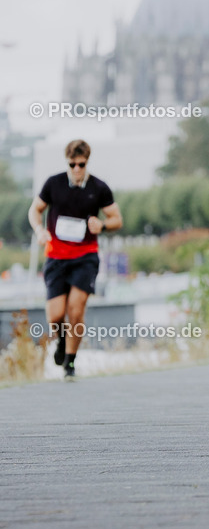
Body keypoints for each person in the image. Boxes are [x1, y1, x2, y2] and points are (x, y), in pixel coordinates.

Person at [28, 139, 122, 380]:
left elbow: (116, 219)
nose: (77, 169)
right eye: (73, 164)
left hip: (85, 256)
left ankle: (70, 362)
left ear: (87, 162)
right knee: (56, 316)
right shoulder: (53, 183)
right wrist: (39, 230)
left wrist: (102, 224)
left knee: (76, 310)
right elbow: (35, 209)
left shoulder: (99, 187)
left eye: (82, 164)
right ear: (67, 163)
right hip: (56, 256)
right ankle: (61, 340)